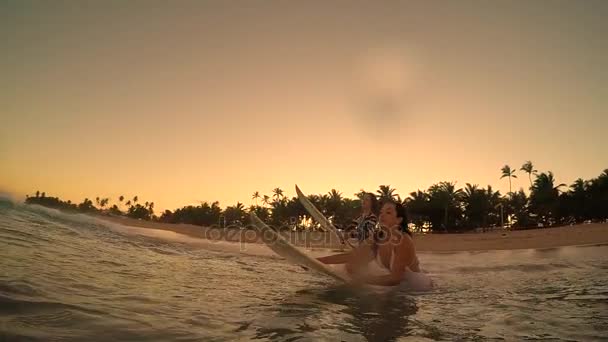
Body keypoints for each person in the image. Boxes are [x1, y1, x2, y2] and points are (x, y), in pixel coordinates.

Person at [318, 200, 421, 286]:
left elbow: (395, 279)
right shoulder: (377, 237)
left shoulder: (403, 240)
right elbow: (353, 255)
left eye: (388, 213)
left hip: (414, 288)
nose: (382, 215)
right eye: (381, 212)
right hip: (398, 288)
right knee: (351, 266)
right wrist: (318, 261)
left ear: (399, 220)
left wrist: (362, 280)